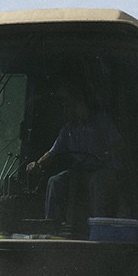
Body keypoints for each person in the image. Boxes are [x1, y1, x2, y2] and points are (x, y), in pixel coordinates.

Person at [27, 92, 123, 227]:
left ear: (80, 105)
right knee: (55, 181)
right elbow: (53, 152)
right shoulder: (68, 129)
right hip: (80, 171)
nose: (65, 110)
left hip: (103, 170)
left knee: (97, 182)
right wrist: (37, 163)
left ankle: (99, 225)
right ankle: (51, 225)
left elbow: (118, 144)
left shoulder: (101, 122)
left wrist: (106, 155)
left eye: (68, 106)